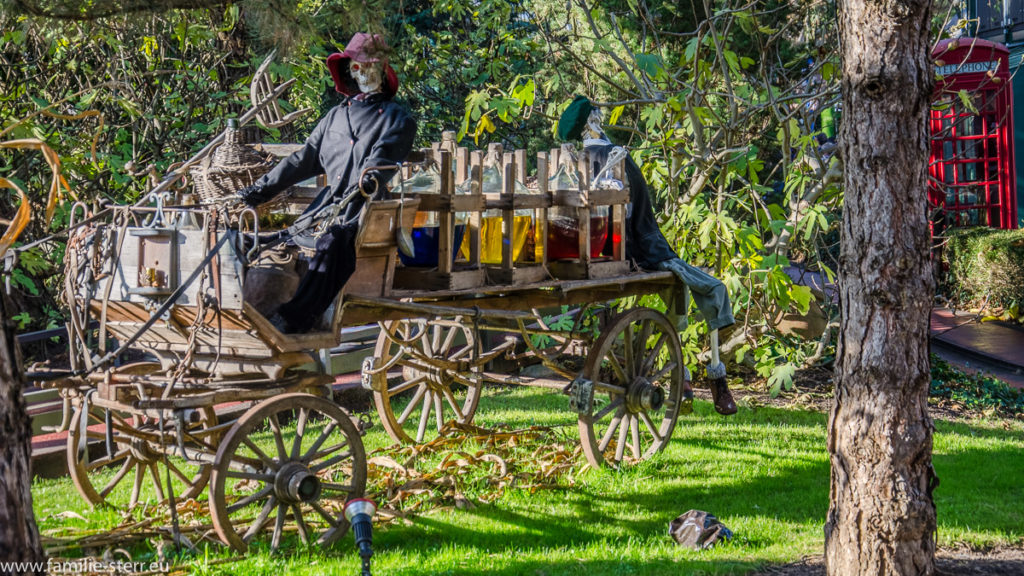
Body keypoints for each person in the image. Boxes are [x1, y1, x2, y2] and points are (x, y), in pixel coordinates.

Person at [557, 95, 738, 415]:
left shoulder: (569, 164)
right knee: (712, 287)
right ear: (593, 123)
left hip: (575, 249)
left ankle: (689, 379)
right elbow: (637, 214)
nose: (603, 119)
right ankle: (711, 375)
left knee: (690, 286)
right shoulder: (616, 157)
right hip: (633, 249)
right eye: (598, 115)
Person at [236, 33, 417, 333]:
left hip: (364, 211)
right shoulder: (334, 117)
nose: (360, 74)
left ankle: (293, 319)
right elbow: (302, 160)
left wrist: (370, 178)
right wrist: (257, 191)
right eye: (355, 68)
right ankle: (238, 312)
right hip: (323, 210)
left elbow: (382, 158)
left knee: (333, 243)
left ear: (383, 69)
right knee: (255, 239)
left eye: (366, 66)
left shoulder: (398, 119)